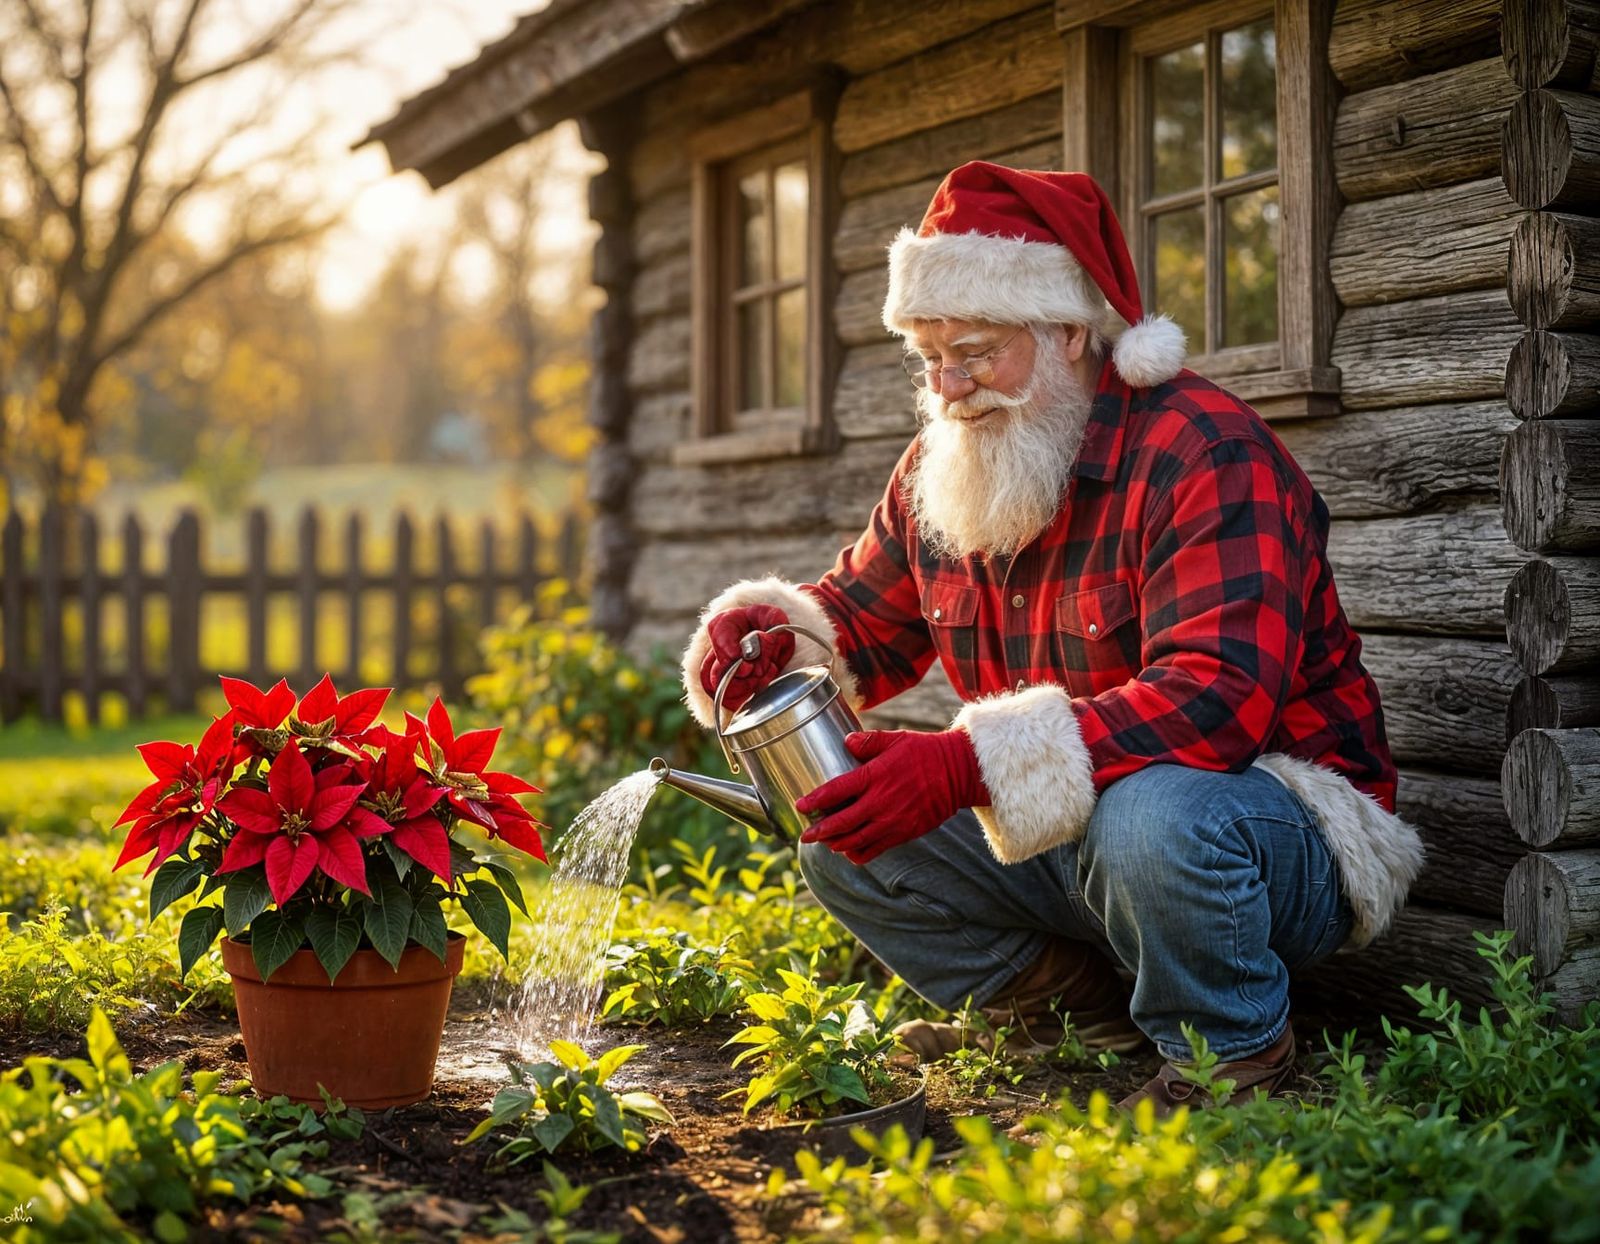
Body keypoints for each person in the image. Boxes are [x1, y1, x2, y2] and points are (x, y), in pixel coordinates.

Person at [678, 162, 1423, 1115]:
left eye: (976, 351)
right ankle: (1067, 1011)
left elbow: (1215, 702)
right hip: (1080, 838)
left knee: (1151, 815)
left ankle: (1234, 1053)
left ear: (1069, 332)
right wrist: (774, 636)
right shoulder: (944, 461)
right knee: (839, 833)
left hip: (1279, 828)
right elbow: (862, 621)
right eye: (930, 355)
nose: (948, 385)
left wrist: (960, 766)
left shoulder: (1206, 450)